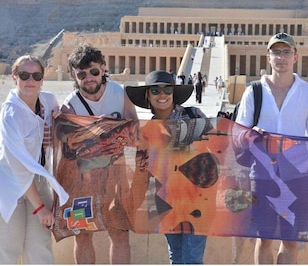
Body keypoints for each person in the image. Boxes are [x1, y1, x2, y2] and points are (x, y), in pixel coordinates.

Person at [235, 32, 308, 264]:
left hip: (296, 176)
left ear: (295, 57)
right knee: (264, 238)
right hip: (263, 174)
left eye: (286, 52)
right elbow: (237, 132)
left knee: (291, 239)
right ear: (268, 58)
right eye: (276, 52)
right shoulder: (253, 92)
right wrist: (250, 134)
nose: (281, 57)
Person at [60, 43, 138, 264]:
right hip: (82, 181)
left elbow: (134, 131)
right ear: (74, 76)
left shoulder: (120, 94)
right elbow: (67, 146)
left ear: (103, 68)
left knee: (120, 234)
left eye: (94, 71)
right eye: (82, 74)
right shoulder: (70, 105)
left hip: (117, 178)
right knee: (83, 235)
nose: (89, 78)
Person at [125, 70, 211, 264]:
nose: (162, 95)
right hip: (164, 200)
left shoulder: (193, 115)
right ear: (148, 96)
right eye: (155, 90)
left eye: (167, 89)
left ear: (173, 93)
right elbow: (141, 170)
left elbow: (216, 147)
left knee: (192, 259)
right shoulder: (145, 131)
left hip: (196, 198)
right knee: (176, 255)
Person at [0, 55, 69, 263]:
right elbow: (19, 166)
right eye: (24, 75)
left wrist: (60, 118)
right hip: (11, 184)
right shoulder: (10, 114)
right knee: (8, 248)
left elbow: (60, 125)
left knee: (40, 246)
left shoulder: (47, 101)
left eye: (36, 75)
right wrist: (40, 208)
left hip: (38, 181)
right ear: (14, 77)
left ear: (42, 79)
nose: (30, 81)